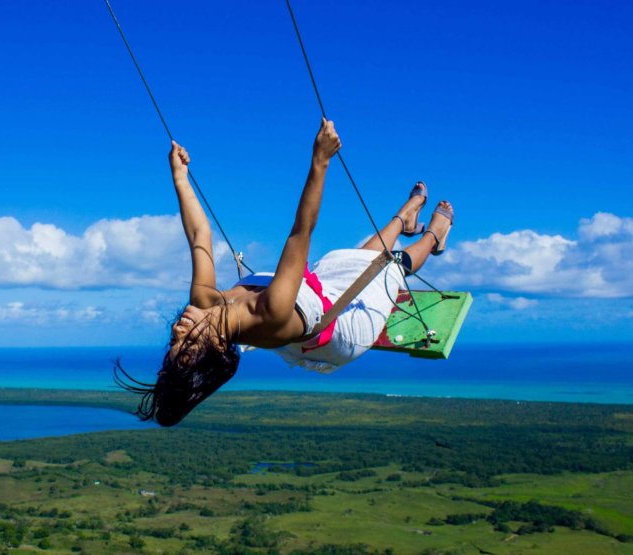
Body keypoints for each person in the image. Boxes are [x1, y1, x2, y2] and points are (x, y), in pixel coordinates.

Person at [115, 119, 454, 426]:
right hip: (341, 334)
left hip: (316, 296)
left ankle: (404, 217)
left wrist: (179, 178)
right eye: (185, 343)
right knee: (389, 265)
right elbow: (300, 232)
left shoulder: (205, 303)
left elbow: (199, 236)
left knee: (354, 259)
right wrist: (320, 161)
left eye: (173, 340)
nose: (177, 329)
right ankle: (434, 236)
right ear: (217, 348)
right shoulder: (271, 314)